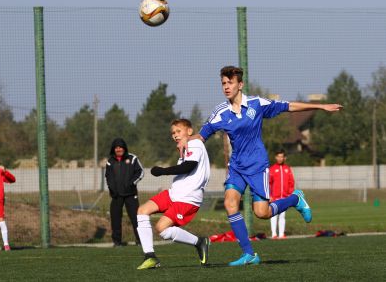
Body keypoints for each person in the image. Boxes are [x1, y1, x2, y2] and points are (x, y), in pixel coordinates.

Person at [177, 66, 343, 266]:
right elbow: (202, 135)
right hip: (237, 166)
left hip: (257, 166)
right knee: (230, 203)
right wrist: (187, 139)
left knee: (262, 213)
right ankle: (249, 254)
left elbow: (288, 106)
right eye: (223, 83)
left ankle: (295, 199)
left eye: (230, 83)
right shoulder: (220, 112)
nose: (226, 87)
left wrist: (321, 107)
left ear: (240, 84)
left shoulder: (257, 104)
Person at [136, 119, 211, 270]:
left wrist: (163, 171)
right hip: (173, 194)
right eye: (173, 133)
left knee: (162, 229)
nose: (175, 135)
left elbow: (189, 166)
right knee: (142, 211)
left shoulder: (194, 143)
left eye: (178, 131)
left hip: (187, 199)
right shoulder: (185, 147)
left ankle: (199, 242)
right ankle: (150, 256)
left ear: (189, 131)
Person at [105, 138, 144, 247]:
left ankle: (140, 241)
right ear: (114, 149)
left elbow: (140, 172)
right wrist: (111, 189)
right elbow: (108, 176)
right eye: (116, 147)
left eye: (121, 147)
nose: (119, 149)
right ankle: (117, 242)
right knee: (115, 218)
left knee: (136, 218)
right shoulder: (110, 161)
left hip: (131, 194)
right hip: (116, 195)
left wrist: (132, 184)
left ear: (124, 148)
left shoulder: (132, 158)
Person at [269, 149, 295, 239]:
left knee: (282, 215)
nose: (280, 158)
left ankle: (281, 234)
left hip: (284, 197)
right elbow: (269, 183)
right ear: (276, 157)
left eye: (282, 157)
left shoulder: (287, 169)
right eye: (278, 156)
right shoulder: (272, 169)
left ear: (284, 158)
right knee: (274, 215)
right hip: (274, 198)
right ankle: (274, 234)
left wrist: (290, 195)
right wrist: (270, 195)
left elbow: (291, 182)